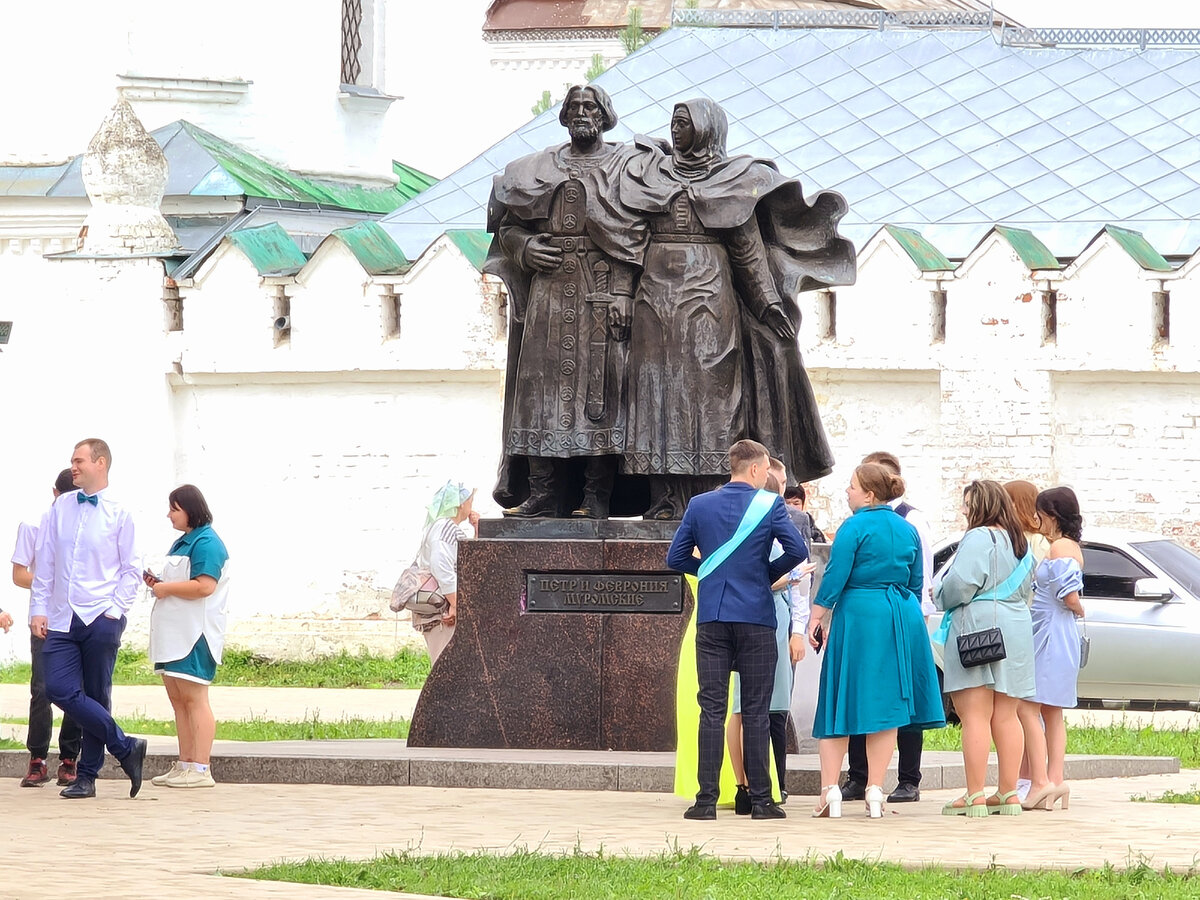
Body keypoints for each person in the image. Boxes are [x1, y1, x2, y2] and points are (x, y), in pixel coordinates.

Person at [620, 99, 852, 519]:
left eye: (684, 123)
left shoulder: (734, 180)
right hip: (654, 302)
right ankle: (665, 497)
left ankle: (708, 493)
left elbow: (747, 251)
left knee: (713, 397)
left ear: (707, 128)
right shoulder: (650, 175)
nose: (676, 130)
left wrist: (766, 303)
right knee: (656, 395)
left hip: (709, 299)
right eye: (673, 122)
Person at [485, 84, 645, 519]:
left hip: (602, 288)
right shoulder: (536, 168)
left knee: (602, 391)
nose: (581, 113)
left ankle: (596, 497)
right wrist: (524, 246)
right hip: (550, 293)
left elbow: (637, 236)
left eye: (589, 106)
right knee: (540, 390)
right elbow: (508, 228)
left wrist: (624, 292)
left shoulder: (626, 166)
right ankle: (542, 493)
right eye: (573, 107)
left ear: (604, 115)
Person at [667, 439, 807, 820]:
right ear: (758, 470)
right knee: (757, 711)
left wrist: (711, 575)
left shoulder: (699, 505)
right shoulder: (770, 504)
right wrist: (763, 577)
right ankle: (761, 802)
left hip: (713, 617)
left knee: (711, 709)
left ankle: (706, 801)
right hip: (757, 620)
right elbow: (797, 551)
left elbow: (675, 557)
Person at [806, 463, 944, 819]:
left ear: (868, 494)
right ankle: (876, 792)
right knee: (887, 705)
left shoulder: (853, 527)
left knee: (840, 698)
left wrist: (817, 615)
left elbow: (836, 575)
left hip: (860, 613)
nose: (846, 492)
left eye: (851, 487)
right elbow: (915, 581)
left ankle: (830, 790)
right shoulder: (906, 527)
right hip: (901, 613)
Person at [30, 439, 147, 799]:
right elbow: (45, 563)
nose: (73, 466)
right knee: (57, 688)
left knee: (97, 694)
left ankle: (87, 776)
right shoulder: (59, 508)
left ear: (100, 463)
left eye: (79, 460)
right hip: (63, 618)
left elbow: (132, 570)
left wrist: (114, 612)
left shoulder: (120, 512)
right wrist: (39, 608)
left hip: (100, 616)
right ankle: (125, 747)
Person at [934, 480, 1037, 817]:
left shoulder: (979, 537)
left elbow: (960, 585)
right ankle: (1008, 793)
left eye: (967, 504)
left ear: (980, 506)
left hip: (980, 628)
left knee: (975, 715)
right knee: (1007, 715)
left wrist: (940, 593)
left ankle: (974, 794)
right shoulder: (1019, 540)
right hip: (1017, 628)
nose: (963, 511)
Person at [844, 451, 934, 804]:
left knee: (904, 698)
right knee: (861, 692)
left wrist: (919, 619)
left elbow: (921, 575)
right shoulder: (860, 521)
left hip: (904, 617)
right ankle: (860, 775)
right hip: (871, 618)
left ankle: (909, 777)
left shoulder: (913, 522)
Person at [724, 471, 813, 812]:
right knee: (744, 708)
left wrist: (798, 630)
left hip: (774, 618)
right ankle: (748, 784)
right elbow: (777, 576)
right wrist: (786, 578)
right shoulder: (754, 526)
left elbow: (799, 587)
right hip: (755, 616)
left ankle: (767, 783)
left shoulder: (779, 524)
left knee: (768, 709)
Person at [145, 485, 230, 789]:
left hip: (195, 634)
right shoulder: (182, 542)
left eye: (174, 509)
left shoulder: (207, 543)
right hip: (172, 633)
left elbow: (205, 586)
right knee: (178, 700)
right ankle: (184, 763)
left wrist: (165, 588)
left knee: (195, 698)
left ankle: (201, 767)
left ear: (189, 509)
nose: (169, 515)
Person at [11, 468, 83, 787]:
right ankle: (37, 758)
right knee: (41, 689)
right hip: (44, 619)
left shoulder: (86, 528)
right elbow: (19, 574)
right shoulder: (34, 526)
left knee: (74, 691)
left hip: (77, 619)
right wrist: (52, 587)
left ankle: (69, 758)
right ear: (54, 494)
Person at [1016, 486, 1085, 812]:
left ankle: (1040, 781)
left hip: (1049, 632)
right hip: (1055, 631)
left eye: (1040, 513)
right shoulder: (1067, 545)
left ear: (1052, 515)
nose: (1036, 519)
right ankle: (1054, 779)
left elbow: (1069, 595)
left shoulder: (1059, 547)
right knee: (1052, 711)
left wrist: (1078, 607)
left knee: (1028, 708)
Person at [411, 481, 477, 664]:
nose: (471, 506)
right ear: (461, 504)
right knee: (446, 662)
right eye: (470, 501)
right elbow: (441, 566)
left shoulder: (441, 527)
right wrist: (455, 604)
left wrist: (478, 530)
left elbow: (467, 561)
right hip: (443, 610)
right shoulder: (445, 527)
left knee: (448, 662)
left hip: (441, 607)